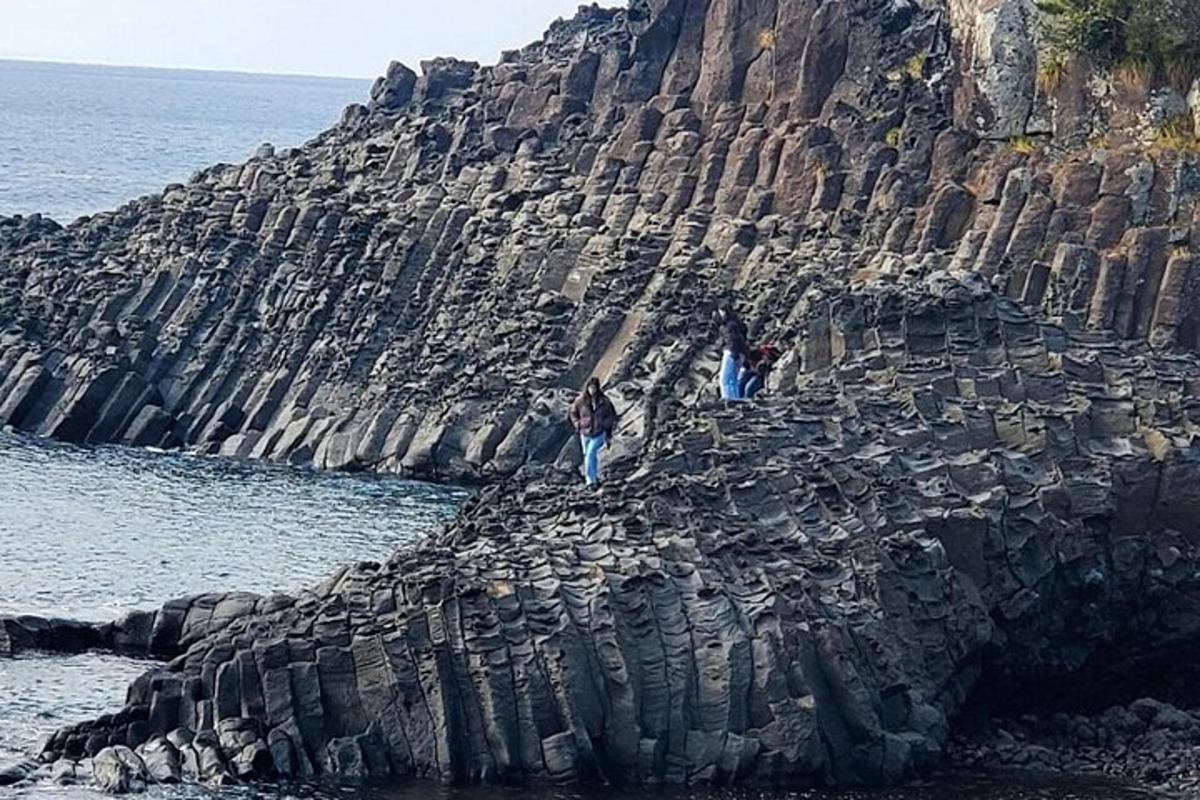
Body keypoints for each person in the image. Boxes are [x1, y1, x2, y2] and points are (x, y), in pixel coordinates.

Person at [569, 377, 618, 486]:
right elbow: (573, 413)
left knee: (590, 453)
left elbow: (612, 415)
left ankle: (589, 481)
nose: (592, 390)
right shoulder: (580, 401)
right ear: (587, 388)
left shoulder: (604, 401)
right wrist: (577, 424)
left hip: (599, 433)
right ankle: (594, 478)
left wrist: (605, 425)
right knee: (588, 455)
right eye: (590, 388)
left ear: (597, 388)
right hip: (585, 432)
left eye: (594, 388)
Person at [715, 304, 749, 401]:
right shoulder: (737, 324)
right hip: (740, 353)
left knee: (725, 379)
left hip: (731, 352)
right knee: (734, 379)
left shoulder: (728, 326)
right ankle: (735, 399)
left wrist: (734, 353)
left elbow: (732, 339)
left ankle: (729, 400)